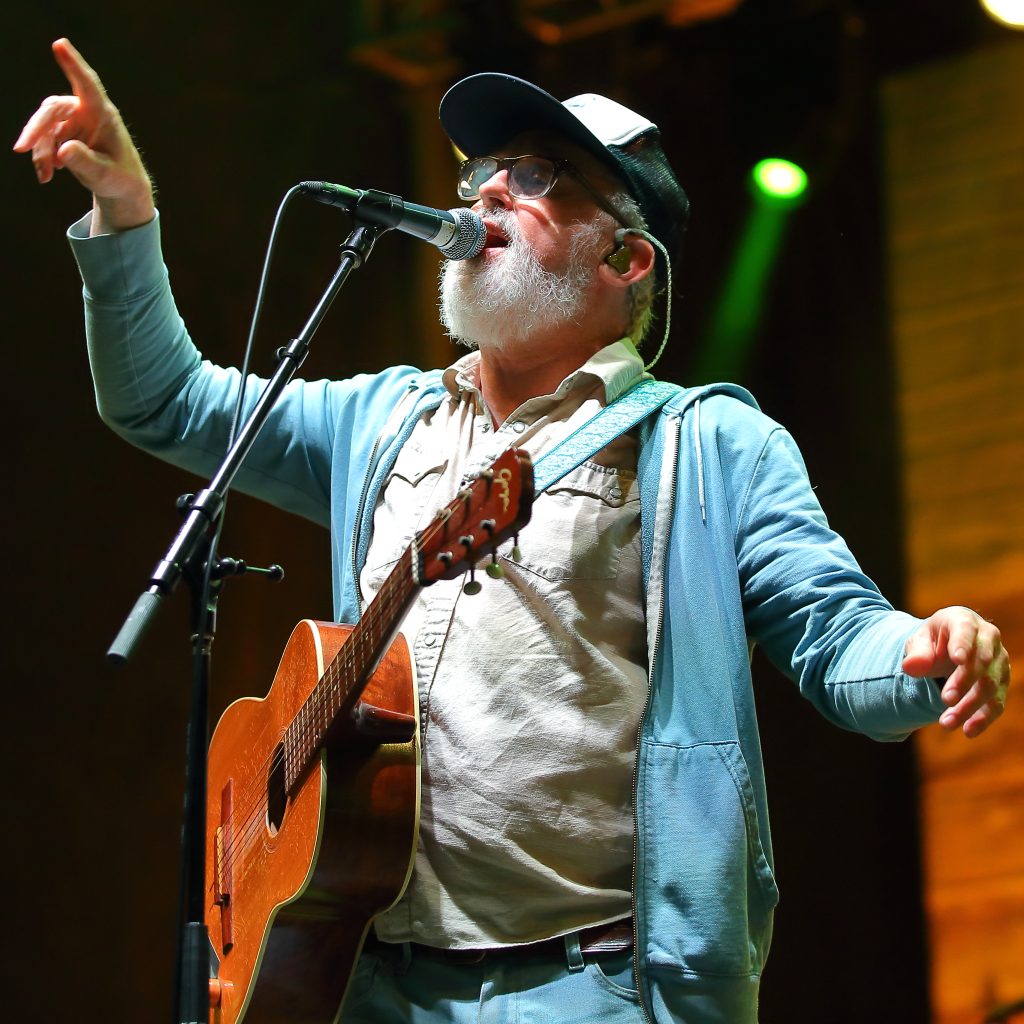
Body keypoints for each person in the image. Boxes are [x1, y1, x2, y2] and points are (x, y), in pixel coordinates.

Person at [17, 38, 1011, 1024]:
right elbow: (166, 403)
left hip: (587, 988)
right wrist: (125, 209)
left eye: (537, 176)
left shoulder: (710, 444)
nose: (487, 189)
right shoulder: (384, 418)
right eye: (483, 171)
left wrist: (925, 655)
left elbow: (838, 639)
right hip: (359, 977)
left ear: (624, 257)